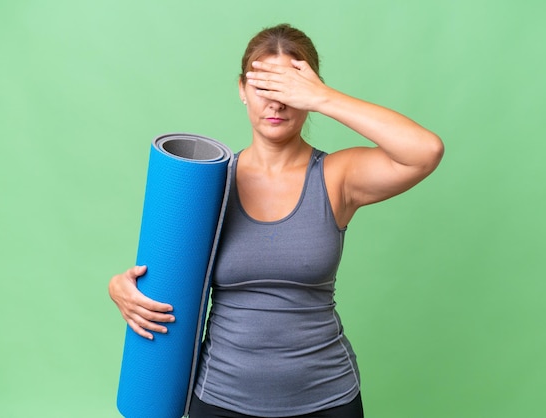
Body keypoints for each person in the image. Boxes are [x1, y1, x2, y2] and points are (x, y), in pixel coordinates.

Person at [109, 23, 444, 418]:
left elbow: (425, 151)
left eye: (289, 89)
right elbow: (164, 273)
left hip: (327, 399)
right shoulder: (209, 183)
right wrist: (121, 288)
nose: (276, 103)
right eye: (263, 87)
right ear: (241, 90)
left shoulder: (337, 177)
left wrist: (324, 98)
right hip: (220, 399)